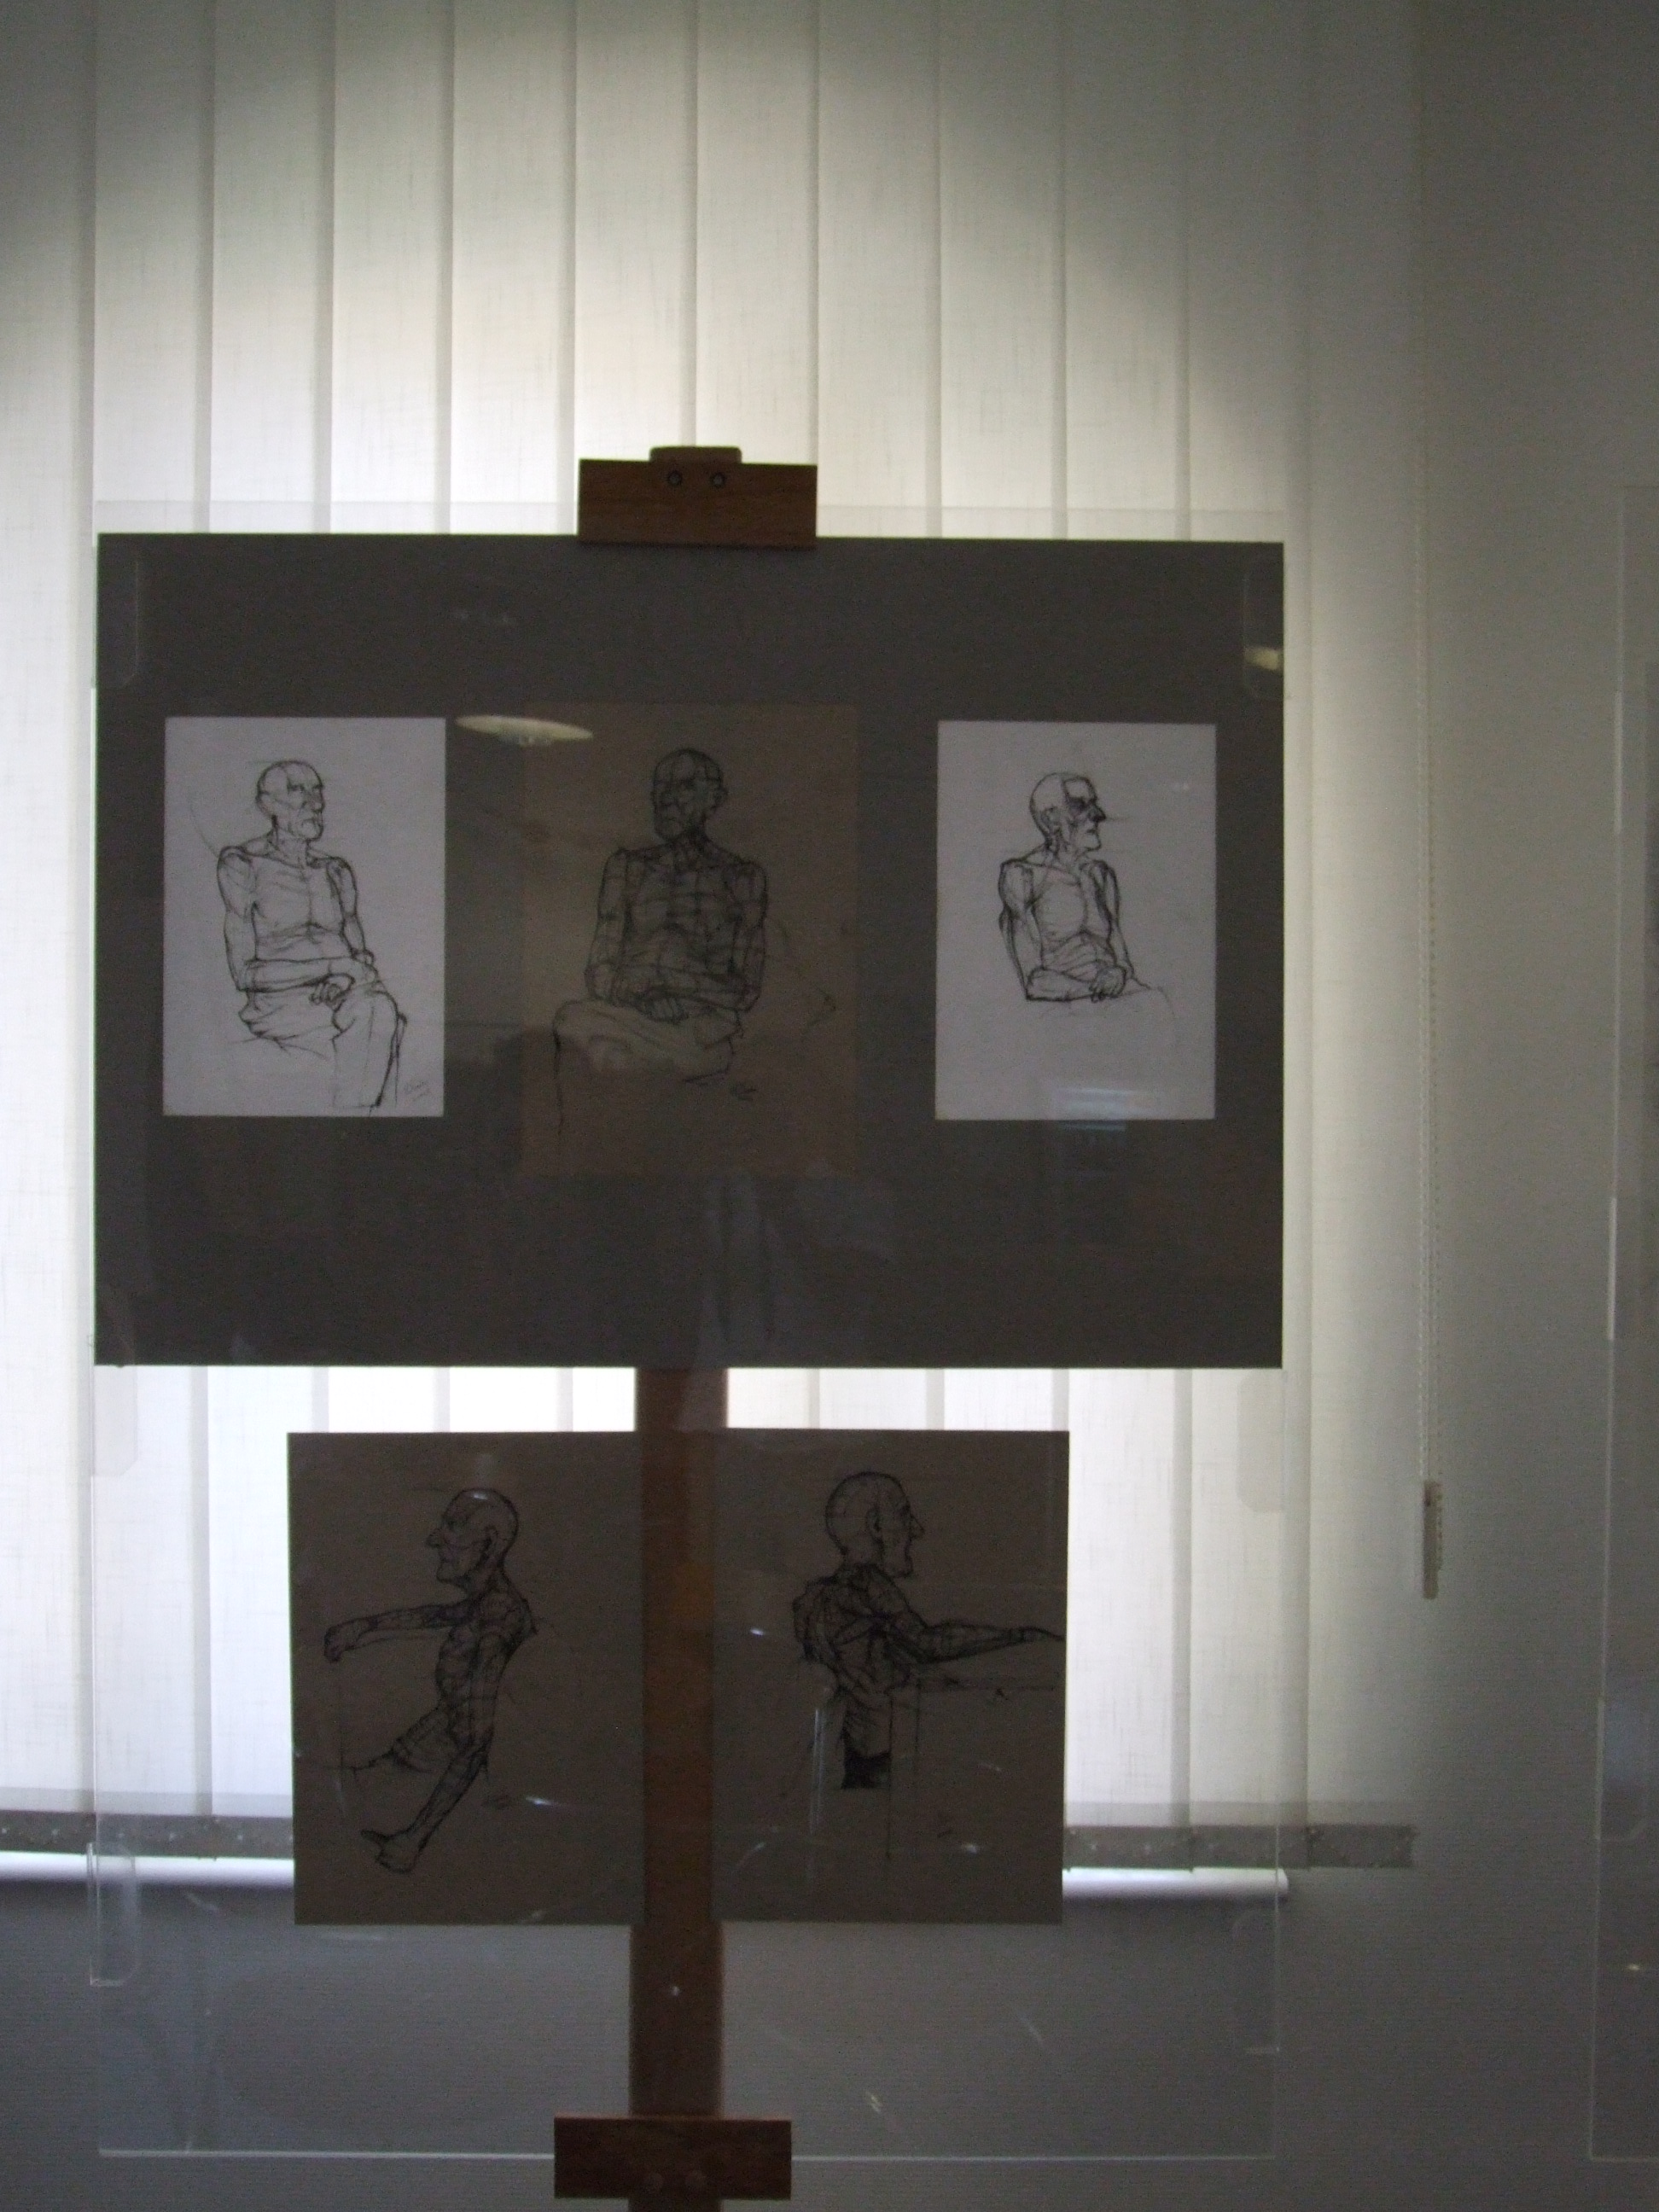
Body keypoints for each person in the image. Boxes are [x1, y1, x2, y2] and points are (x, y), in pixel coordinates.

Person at [793, 1470, 1060, 1790]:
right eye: (904, 1516)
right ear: (876, 1526)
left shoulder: (821, 1599)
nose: (916, 1530)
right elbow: (930, 1643)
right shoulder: (867, 1586)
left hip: (858, 1755)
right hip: (881, 1757)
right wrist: (1019, 1637)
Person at [323, 1487, 533, 1872]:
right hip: (414, 1760)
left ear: (488, 1545)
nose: (435, 1540)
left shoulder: (499, 1622)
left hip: (427, 1778)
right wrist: (365, 1626)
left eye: (452, 1527)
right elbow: (436, 1615)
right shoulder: (489, 1606)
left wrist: (414, 1838)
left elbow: (476, 1741)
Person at [554, 747, 767, 1080]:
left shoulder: (741, 878)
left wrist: (675, 989)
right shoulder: (627, 868)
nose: (666, 799)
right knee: (572, 1020)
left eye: (684, 787)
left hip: (697, 1024)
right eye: (660, 788)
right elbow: (599, 969)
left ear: (714, 800)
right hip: (631, 1012)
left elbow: (745, 989)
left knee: (611, 1056)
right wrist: (642, 997)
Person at [218, 760, 404, 1111]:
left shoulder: (335, 870)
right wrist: (334, 967)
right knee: (375, 1017)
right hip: (284, 1002)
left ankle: (356, 1118)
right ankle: (354, 1119)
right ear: (267, 805)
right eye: (297, 791)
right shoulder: (243, 864)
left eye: (317, 790)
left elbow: (360, 956)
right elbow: (244, 974)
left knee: (380, 1009)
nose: (314, 802)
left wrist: (343, 978)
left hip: (344, 992)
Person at [998, 771, 1139, 1003]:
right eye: (1080, 805)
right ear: (1052, 818)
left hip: (1116, 996)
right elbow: (1034, 981)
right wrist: (1096, 989)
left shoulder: (1100, 875)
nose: (1098, 815)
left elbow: (1121, 959)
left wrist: (1119, 973)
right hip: (1068, 1004)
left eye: (1093, 804)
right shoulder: (1023, 876)